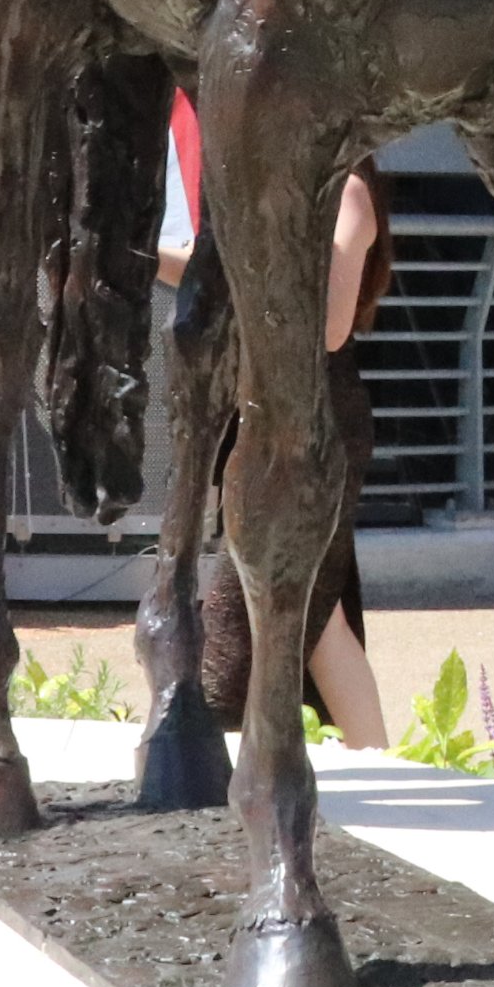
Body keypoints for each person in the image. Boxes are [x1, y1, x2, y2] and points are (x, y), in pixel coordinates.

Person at [200, 157, 391, 747]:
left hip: (317, 423)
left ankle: (218, 748)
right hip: (274, 415)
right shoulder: (287, 187)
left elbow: (331, 328)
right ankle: (378, 759)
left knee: (264, 608)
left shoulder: (349, 191)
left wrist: (250, 262)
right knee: (318, 613)